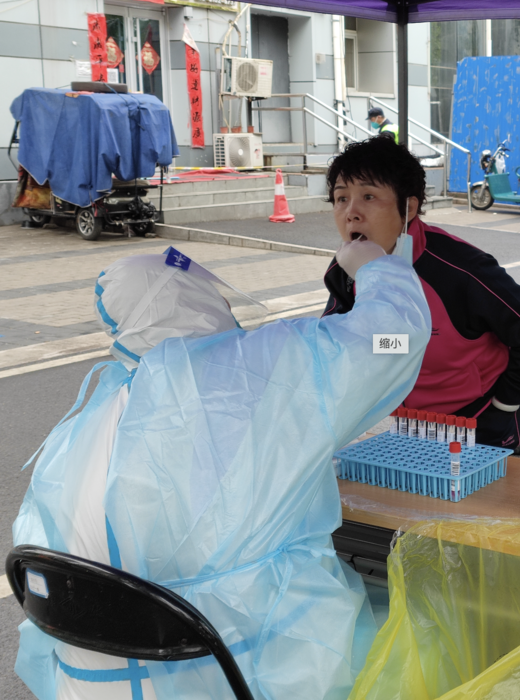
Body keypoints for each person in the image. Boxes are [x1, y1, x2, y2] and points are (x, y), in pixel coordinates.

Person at [13, 241, 430, 699]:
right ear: (201, 301)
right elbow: (392, 339)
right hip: (245, 669)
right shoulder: (258, 369)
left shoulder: (88, 421)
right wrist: (373, 265)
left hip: (94, 685)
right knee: (416, 622)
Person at [323, 137, 520, 450]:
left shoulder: (458, 267)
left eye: (368, 196)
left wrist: (506, 404)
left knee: (485, 498)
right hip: (410, 419)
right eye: (340, 198)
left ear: (409, 207)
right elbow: (343, 349)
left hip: (481, 416)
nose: (351, 212)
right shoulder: (345, 273)